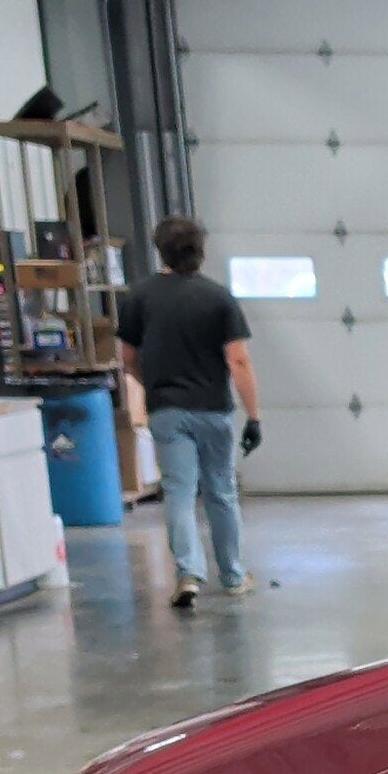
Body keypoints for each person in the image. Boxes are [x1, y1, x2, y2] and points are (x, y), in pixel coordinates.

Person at [116, 216, 263, 604]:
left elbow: (128, 358)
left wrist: (157, 387)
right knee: (221, 492)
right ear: (201, 251)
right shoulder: (218, 298)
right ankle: (232, 575)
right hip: (213, 409)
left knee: (179, 493)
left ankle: (189, 575)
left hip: (166, 409)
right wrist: (255, 416)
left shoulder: (138, 297)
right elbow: (239, 361)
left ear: (159, 250)